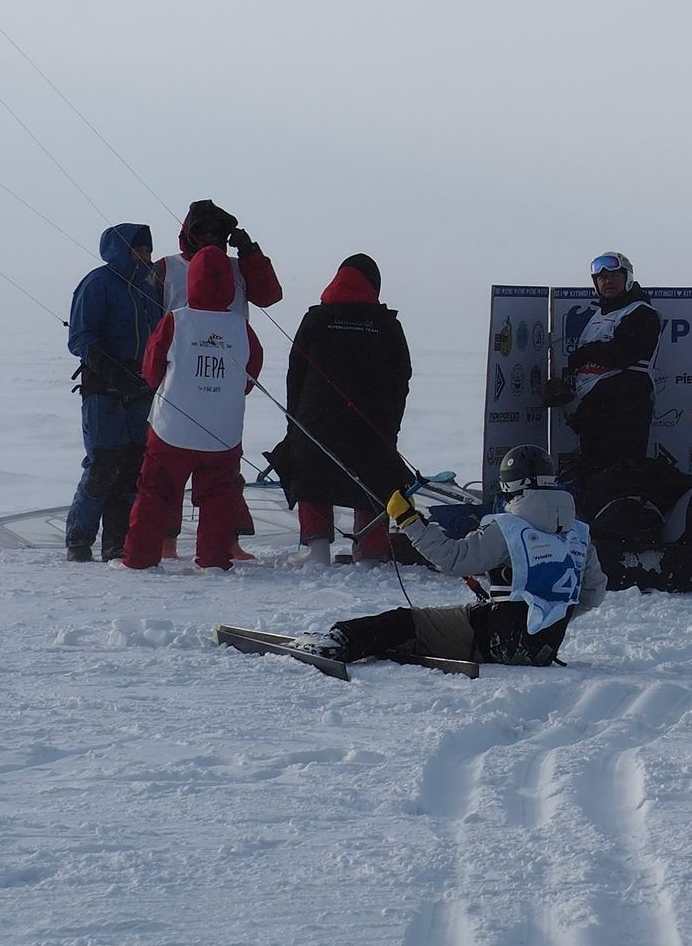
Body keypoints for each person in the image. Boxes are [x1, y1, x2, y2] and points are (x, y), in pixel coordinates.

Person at [326, 445, 605, 667]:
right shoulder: (579, 533)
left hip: (498, 641)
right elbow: (592, 593)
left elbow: (453, 559)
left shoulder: (509, 529)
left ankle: (341, 640)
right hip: (544, 648)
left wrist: (409, 520)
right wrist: (547, 616)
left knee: (411, 623)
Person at [124, 245, 266, 571]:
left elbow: (151, 371)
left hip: (172, 428)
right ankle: (214, 561)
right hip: (223, 432)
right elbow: (250, 374)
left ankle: (139, 560)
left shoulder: (175, 321)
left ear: (192, 280)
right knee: (218, 497)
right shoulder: (241, 327)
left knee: (155, 493)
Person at [272, 253, 412, 562]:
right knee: (376, 475)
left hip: (316, 419)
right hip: (372, 424)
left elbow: (295, 373)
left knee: (310, 471)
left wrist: (295, 424)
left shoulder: (316, 319)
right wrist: (392, 426)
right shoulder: (387, 325)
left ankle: (317, 550)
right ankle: (372, 551)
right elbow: (401, 379)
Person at [64, 222, 163, 562]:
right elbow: (80, 337)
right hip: (103, 387)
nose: (146, 255)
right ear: (122, 249)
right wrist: (108, 367)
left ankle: (116, 542)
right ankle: (79, 539)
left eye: (149, 249)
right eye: (140, 248)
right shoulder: (98, 283)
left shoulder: (152, 286)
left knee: (134, 463)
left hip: (141, 387)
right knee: (104, 463)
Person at [544, 252, 661, 485]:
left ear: (627, 278)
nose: (607, 281)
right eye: (601, 277)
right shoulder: (599, 314)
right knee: (593, 475)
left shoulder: (641, 312)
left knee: (620, 476)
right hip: (595, 411)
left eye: (614, 276)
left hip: (625, 409)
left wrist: (586, 353)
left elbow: (622, 354)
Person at [155, 199, 283, 314]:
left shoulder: (240, 267)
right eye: (201, 230)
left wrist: (250, 252)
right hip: (181, 339)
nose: (209, 235)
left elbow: (268, 297)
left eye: (215, 230)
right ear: (188, 233)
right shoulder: (166, 267)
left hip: (232, 339)